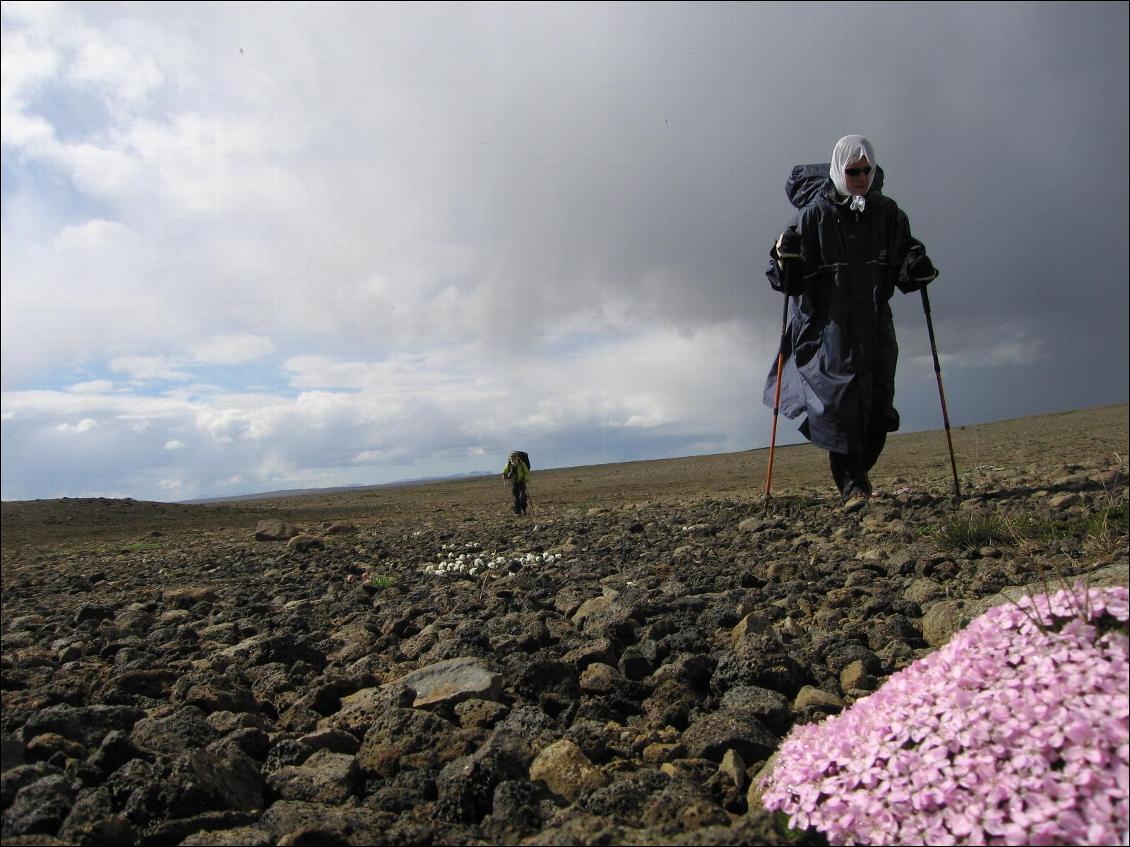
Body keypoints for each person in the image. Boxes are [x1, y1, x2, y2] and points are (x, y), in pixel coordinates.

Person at [764, 135, 938, 510]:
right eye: (853, 170)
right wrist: (786, 260)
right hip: (828, 334)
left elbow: (904, 263)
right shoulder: (812, 217)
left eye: (867, 170)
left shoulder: (888, 213)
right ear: (839, 171)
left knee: (878, 408)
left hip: (875, 330)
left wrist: (916, 266)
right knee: (839, 411)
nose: (861, 177)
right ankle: (853, 485)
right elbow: (783, 279)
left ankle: (858, 475)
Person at [502, 451, 530, 515]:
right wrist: (504, 476)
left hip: (522, 481)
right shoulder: (508, 465)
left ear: (517, 457)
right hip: (514, 482)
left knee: (523, 496)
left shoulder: (522, 464)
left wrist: (526, 480)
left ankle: (524, 509)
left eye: (514, 456)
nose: (512, 458)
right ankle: (518, 512)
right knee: (516, 497)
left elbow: (526, 472)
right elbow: (504, 472)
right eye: (511, 457)